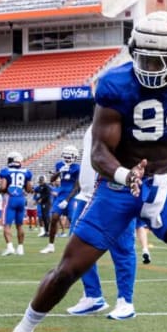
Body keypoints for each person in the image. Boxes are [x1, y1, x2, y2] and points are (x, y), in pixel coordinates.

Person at [0, 11, 167, 332]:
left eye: (155, 60)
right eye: (142, 58)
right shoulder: (116, 84)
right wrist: (124, 174)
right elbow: (100, 150)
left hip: (164, 182)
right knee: (69, 269)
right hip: (118, 187)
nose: (146, 67)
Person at [65, 125, 138, 320]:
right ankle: (93, 295)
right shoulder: (98, 120)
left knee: (122, 249)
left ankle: (125, 301)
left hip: (114, 193)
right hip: (87, 195)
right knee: (77, 249)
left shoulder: (123, 117)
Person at [40, 146, 80, 253]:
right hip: (61, 195)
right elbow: (52, 180)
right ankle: (50, 245)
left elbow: (76, 187)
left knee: (73, 221)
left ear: (75, 157)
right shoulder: (59, 165)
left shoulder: (78, 168)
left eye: (69, 157)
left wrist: (67, 200)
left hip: (71, 197)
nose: (67, 159)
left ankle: (76, 247)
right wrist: (59, 171)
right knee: (54, 218)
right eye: (65, 156)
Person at [0, 152, 33, 256]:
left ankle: (10, 247)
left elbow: (3, 187)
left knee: (7, 224)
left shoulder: (5, 171)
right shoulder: (26, 172)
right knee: (20, 225)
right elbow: (29, 189)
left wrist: (0, 189)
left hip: (10, 199)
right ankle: (20, 248)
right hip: (21, 199)